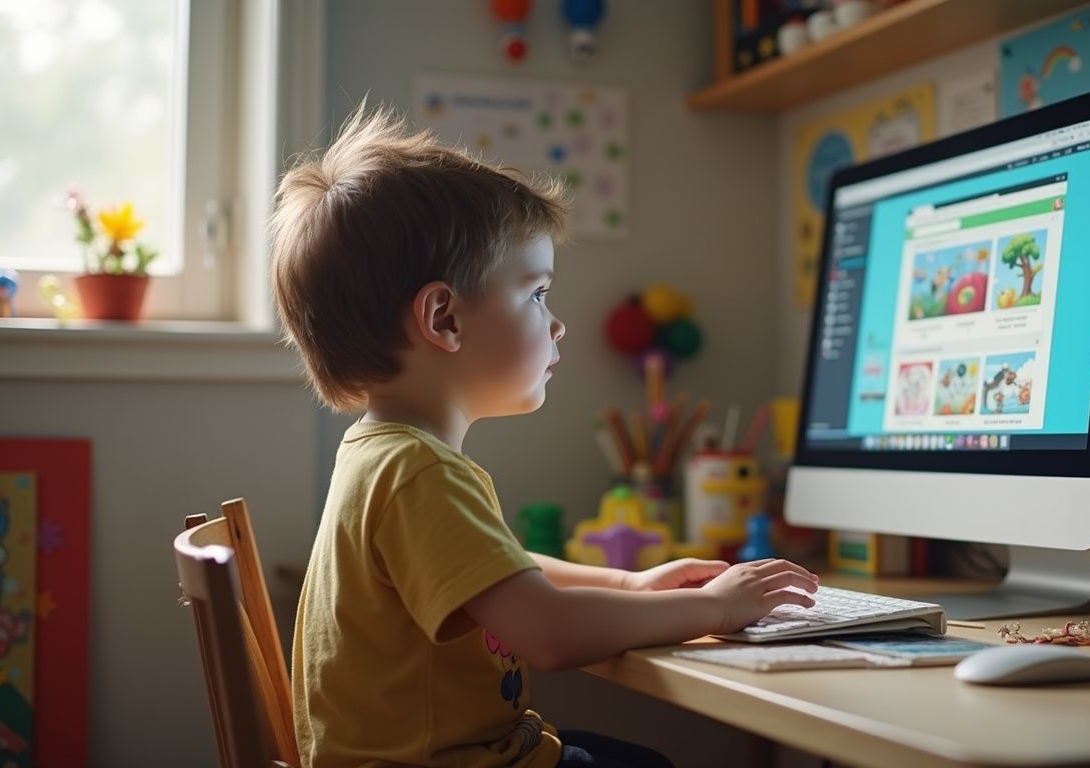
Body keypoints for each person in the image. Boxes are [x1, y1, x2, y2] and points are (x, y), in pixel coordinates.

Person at [270, 104, 819, 768]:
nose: (556, 324)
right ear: (444, 319)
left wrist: (629, 587)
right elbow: (549, 633)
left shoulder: (379, 452)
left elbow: (498, 573)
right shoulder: (418, 471)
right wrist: (717, 610)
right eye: (535, 294)